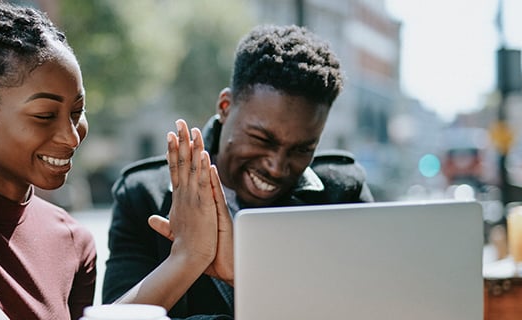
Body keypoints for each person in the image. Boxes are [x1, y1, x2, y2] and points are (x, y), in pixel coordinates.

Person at [0, 4, 226, 320]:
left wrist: (191, 255)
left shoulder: (74, 240)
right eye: (45, 115)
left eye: (77, 111)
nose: (71, 135)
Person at [103, 24, 374, 319]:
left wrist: (243, 276)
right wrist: (188, 257)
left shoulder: (343, 194)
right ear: (225, 106)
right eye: (262, 139)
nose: (277, 166)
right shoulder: (143, 196)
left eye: (301, 149)